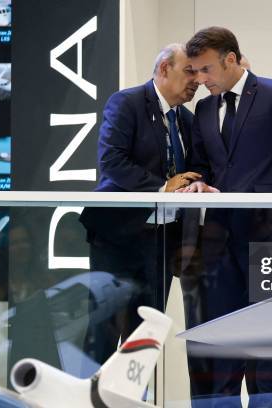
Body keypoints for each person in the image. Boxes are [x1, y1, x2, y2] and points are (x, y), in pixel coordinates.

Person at [183, 26, 272, 406]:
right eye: (195, 71)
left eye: (206, 70)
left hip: (270, 244)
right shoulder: (204, 109)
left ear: (232, 59)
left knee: (268, 357)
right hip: (218, 248)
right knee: (219, 350)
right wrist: (197, 185)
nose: (200, 80)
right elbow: (201, 167)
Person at [78, 44, 201, 363]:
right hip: (117, 239)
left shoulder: (187, 121)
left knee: (143, 340)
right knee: (103, 333)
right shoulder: (127, 102)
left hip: (161, 244)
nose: (197, 80)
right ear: (164, 69)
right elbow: (112, 162)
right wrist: (163, 187)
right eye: (189, 71)